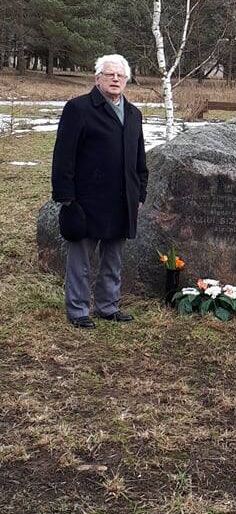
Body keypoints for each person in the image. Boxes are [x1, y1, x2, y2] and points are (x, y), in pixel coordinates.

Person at [52, 54, 148, 329]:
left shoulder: (133, 114)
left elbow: (139, 158)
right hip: (86, 200)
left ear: (127, 80)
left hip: (122, 200)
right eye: (109, 74)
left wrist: (139, 193)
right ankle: (78, 310)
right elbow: (63, 156)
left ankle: (108, 306)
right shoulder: (78, 109)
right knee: (81, 260)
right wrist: (66, 198)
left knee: (113, 259)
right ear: (97, 79)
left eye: (120, 75)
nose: (115, 79)